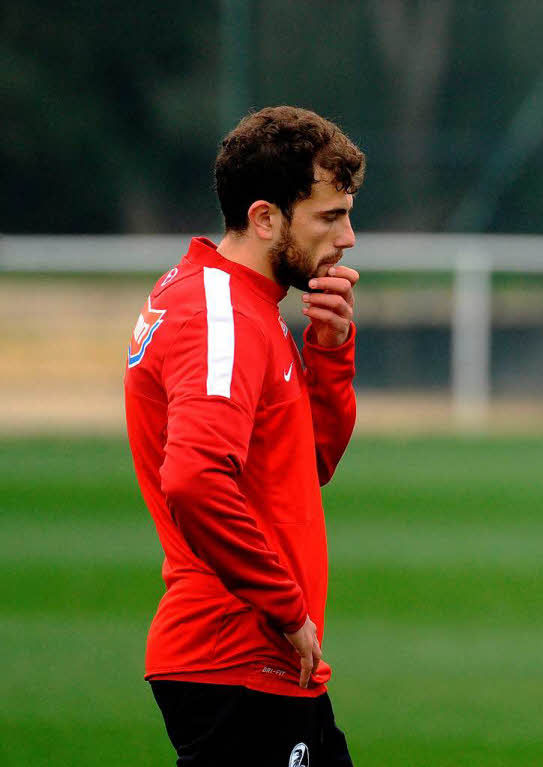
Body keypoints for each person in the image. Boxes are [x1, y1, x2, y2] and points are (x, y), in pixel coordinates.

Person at [124, 105, 365, 766]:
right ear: (265, 217)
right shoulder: (220, 316)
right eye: (330, 216)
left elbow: (307, 461)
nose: (347, 238)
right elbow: (195, 480)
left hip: (264, 664)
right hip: (236, 657)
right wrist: (288, 610)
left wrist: (331, 350)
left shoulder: (246, 305)